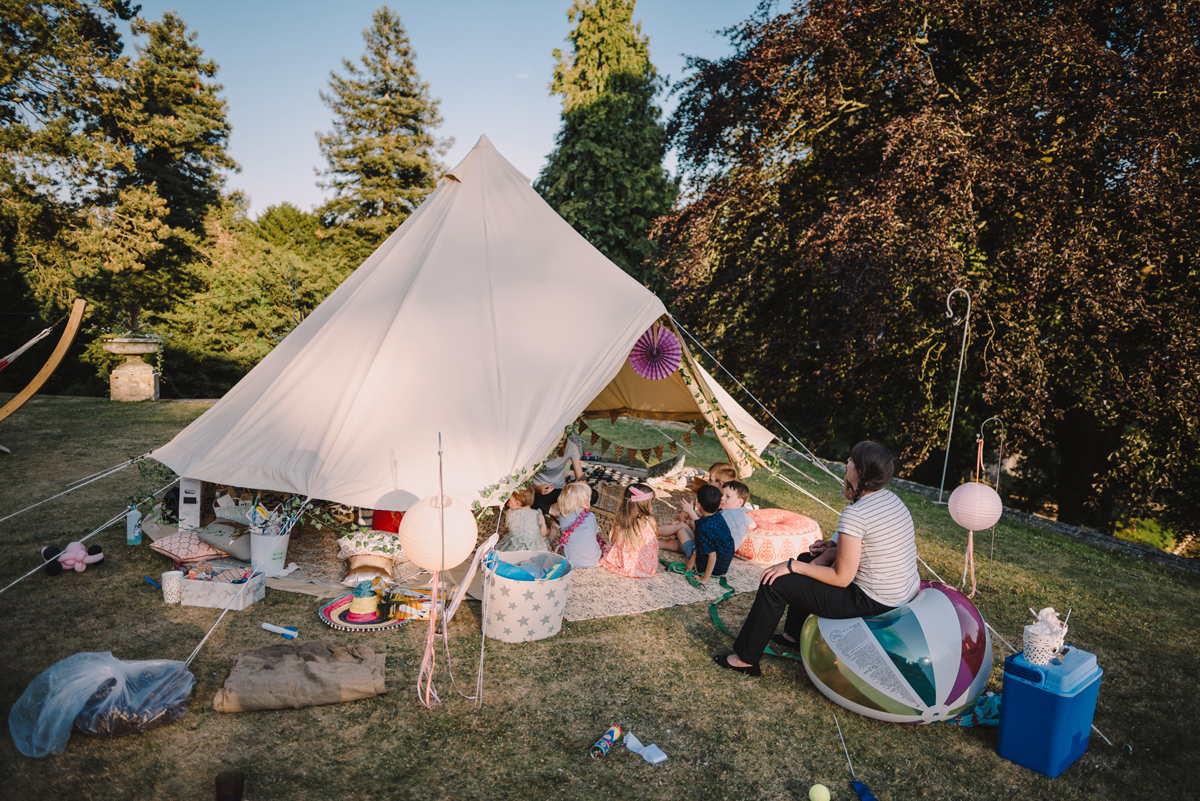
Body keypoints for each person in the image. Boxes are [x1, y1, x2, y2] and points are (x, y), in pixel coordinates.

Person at [715, 441, 920, 676]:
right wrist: (832, 546)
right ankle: (793, 636)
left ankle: (745, 660)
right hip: (896, 591)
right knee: (806, 556)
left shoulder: (856, 514)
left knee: (775, 582)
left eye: (852, 460)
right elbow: (872, 543)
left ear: (860, 472)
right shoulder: (891, 499)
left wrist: (792, 566)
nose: (847, 463)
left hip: (872, 600)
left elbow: (842, 578)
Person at [600, 483, 660, 578]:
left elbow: (615, 542)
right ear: (646, 505)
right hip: (649, 568)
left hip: (627, 567)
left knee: (606, 549)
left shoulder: (622, 522)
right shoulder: (650, 521)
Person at [685, 484, 735, 585]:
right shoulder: (718, 515)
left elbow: (712, 556)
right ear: (719, 505)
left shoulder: (702, 528)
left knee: (681, 531)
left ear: (698, 506)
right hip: (724, 564)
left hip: (712, 568)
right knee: (684, 527)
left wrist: (704, 578)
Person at [551, 481, 604, 568]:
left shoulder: (562, 517)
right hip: (592, 562)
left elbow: (566, 537)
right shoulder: (591, 516)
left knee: (560, 548)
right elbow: (596, 534)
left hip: (569, 561)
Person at [531, 434, 585, 514]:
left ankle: (545, 510)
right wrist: (537, 488)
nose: (562, 438)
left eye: (564, 432)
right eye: (558, 434)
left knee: (592, 495)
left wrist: (581, 485)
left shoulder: (571, 447)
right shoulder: (537, 448)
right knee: (527, 499)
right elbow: (523, 483)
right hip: (539, 492)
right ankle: (556, 512)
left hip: (559, 491)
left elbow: (579, 477)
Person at [719, 480, 758, 552]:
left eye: (727, 496)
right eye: (722, 495)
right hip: (731, 550)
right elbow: (753, 525)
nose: (722, 498)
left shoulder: (723, 514)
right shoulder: (742, 514)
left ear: (740, 502)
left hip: (718, 550)